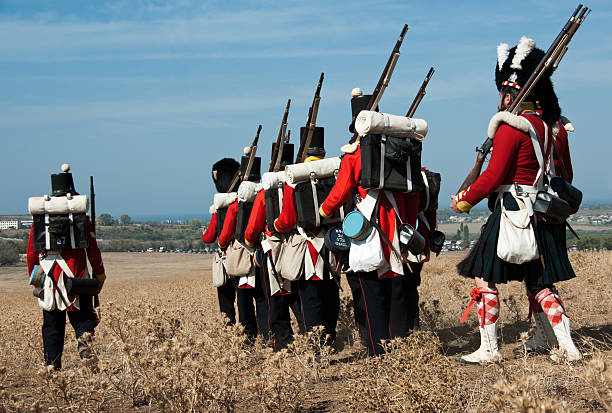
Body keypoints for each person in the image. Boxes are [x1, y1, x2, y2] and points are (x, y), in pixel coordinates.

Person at [451, 36, 581, 364]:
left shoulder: (511, 128)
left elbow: (493, 178)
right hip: (542, 213)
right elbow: (565, 171)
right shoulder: (549, 127)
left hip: (512, 212)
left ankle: (490, 349)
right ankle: (565, 345)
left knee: (483, 275)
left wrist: (464, 201)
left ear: (509, 93)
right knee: (539, 281)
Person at [319, 89, 427, 356]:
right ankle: (401, 348)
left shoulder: (354, 155)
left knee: (372, 293)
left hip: (369, 230)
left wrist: (325, 209)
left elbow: (341, 191)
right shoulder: (400, 150)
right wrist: (408, 223)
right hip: (397, 228)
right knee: (397, 290)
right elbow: (413, 193)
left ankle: (380, 351)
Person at [26, 164, 106, 370]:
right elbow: (93, 249)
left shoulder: (40, 220)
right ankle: (86, 352)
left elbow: (31, 253)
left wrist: (36, 277)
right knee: (84, 320)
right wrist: (99, 275)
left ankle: (52, 367)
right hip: (77, 276)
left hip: (50, 278)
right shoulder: (82, 219)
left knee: (52, 326)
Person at [273, 128, 341, 348]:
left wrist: (275, 225)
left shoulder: (297, 179)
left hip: (307, 251)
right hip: (331, 246)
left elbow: (287, 219)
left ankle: (316, 349)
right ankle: (329, 342)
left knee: (310, 301)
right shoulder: (332, 175)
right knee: (330, 297)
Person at [244, 142, 305, 350]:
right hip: (301, 248)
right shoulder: (300, 183)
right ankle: (309, 337)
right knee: (299, 297)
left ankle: (283, 341)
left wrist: (251, 243)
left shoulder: (265, 193)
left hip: (273, 250)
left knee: (276, 299)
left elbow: (252, 229)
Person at [218, 154, 270, 343]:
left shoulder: (235, 205)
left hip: (243, 257)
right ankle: (267, 335)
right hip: (264, 254)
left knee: (244, 301)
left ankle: (249, 339)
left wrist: (223, 245)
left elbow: (224, 237)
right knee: (263, 300)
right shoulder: (266, 194)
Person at [203, 158, 241, 325]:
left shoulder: (219, 208)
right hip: (246, 257)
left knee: (226, 302)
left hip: (227, 259)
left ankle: (230, 329)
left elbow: (209, 237)